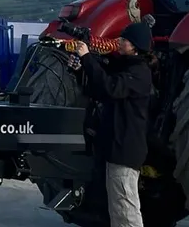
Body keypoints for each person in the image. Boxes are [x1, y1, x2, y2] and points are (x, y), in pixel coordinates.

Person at [75, 20, 155, 227]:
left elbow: (110, 87)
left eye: (125, 40)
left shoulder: (139, 74)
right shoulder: (128, 69)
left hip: (125, 151)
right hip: (116, 149)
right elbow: (100, 91)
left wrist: (87, 57)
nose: (119, 42)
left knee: (125, 208)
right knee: (117, 207)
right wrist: (80, 68)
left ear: (135, 46)